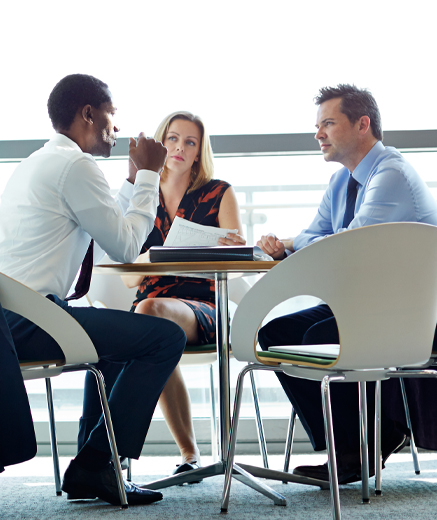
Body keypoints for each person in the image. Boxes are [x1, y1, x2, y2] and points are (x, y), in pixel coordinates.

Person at [0, 74, 187, 505]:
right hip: (35, 319)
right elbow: (125, 244)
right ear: (88, 113)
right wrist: (150, 176)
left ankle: (93, 462)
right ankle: (95, 464)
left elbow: (109, 229)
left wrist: (135, 179)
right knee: (164, 339)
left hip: (16, 318)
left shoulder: (41, 162)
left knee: (121, 338)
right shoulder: (75, 166)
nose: (116, 128)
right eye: (111, 115)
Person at [257, 84, 437, 484]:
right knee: (276, 334)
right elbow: (316, 237)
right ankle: (352, 444)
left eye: (328, 123)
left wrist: (292, 243)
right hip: (363, 302)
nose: (318, 134)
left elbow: (345, 245)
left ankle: (363, 445)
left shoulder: (390, 174)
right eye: (317, 125)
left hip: (408, 310)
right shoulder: (343, 181)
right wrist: (290, 244)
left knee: (321, 336)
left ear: (362, 124)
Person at [121, 111, 245, 476]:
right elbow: (129, 279)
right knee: (150, 315)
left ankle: (180, 452)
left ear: (198, 152)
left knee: (149, 316)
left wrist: (227, 246)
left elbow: (235, 264)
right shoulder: (141, 194)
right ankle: (183, 454)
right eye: (172, 139)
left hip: (205, 305)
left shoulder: (218, 192)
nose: (179, 147)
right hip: (150, 303)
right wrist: (158, 258)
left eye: (190, 142)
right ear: (160, 144)